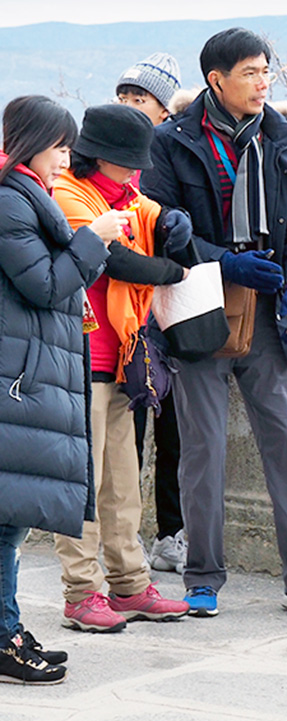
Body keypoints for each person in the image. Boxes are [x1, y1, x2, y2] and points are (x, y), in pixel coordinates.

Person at [141, 28, 287, 620]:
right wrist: (221, 259)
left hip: (271, 310)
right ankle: (202, 578)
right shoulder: (169, 144)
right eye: (251, 73)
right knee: (201, 448)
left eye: (267, 72)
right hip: (198, 304)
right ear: (216, 80)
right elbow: (159, 227)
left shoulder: (285, 141)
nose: (262, 83)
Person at [52, 104, 192, 632]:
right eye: (130, 160)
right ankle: (81, 593)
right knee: (83, 483)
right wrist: (172, 270)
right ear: (104, 157)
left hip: (122, 356)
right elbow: (112, 261)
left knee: (121, 482)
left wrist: (176, 223)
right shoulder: (69, 193)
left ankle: (130, 583)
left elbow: (156, 218)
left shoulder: (127, 195)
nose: (138, 170)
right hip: (81, 355)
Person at [0, 96, 123, 682]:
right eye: (60, 147)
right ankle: (3, 638)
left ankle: (7, 629)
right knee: (4, 521)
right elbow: (47, 285)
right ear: (32, 145)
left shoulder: (24, 196)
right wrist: (93, 238)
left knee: (10, 520)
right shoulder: (8, 201)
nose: (67, 158)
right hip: (13, 386)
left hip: (20, 382)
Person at [117, 52, 189, 574]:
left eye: (139, 99)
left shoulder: (172, 157)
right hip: (127, 316)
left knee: (175, 433)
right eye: (123, 97)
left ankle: (173, 533)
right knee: (127, 435)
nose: (128, 106)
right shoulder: (108, 165)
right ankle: (129, 539)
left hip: (170, 315)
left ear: (163, 109)